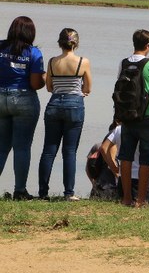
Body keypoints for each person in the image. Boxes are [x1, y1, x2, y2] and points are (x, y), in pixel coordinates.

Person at [116, 29, 149, 208]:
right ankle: (140, 200)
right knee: (146, 158)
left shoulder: (123, 63)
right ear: (148, 45)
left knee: (126, 157)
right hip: (147, 117)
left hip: (127, 116)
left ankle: (126, 198)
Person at [38, 28, 92, 201]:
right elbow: (88, 88)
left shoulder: (53, 61)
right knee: (69, 151)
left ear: (60, 43)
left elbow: (49, 87)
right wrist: (80, 90)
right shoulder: (83, 62)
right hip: (74, 105)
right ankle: (69, 193)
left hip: (54, 105)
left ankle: (43, 193)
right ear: (76, 43)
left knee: (48, 150)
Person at [0, 16, 45, 200]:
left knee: (1, 148)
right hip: (24, 99)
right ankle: (20, 191)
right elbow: (35, 84)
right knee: (22, 148)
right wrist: (44, 79)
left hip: (1, 97)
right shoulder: (34, 53)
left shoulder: (0, 47)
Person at [103, 121, 149, 204]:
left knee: (124, 206)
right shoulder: (147, 128)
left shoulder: (119, 129)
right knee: (142, 207)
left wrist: (114, 167)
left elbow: (104, 148)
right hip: (142, 178)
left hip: (123, 178)